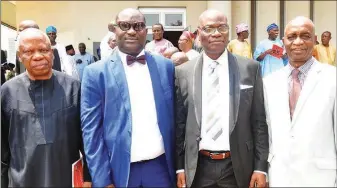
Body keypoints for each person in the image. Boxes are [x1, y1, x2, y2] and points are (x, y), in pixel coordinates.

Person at [81, 8, 175, 187]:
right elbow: (91, 133)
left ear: (145, 32)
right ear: (115, 30)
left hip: (161, 168)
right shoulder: (95, 73)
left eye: (138, 26)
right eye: (125, 26)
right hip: (119, 171)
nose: (132, 31)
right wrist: (102, 180)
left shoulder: (166, 67)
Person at [175, 9, 269, 188]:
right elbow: (180, 124)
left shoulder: (250, 68)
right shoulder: (183, 72)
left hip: (238, 165)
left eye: (222, 27)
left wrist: (260, 168)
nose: (217, 33)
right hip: (198, 167)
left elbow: (259, 122)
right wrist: (180, 168)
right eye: (209, 28)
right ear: (198, 33)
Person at [1, 28, 91, 187]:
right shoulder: (7, 91)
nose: (37, 56)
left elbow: (87, 139)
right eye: (28, 51)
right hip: (22, 180)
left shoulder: (74, 88)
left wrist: (88, 177)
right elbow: (2, 149)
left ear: (52, 53)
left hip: (65, 178)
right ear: (20, 56)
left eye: (43, 50)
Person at [263, 16, 336, 187]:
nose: (298, 41)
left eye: (305, 36)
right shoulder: (269, 82)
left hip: (320, 178)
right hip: (280, 177)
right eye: (292, 36)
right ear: (283, 42)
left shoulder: (332, 78)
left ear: (314, 40)